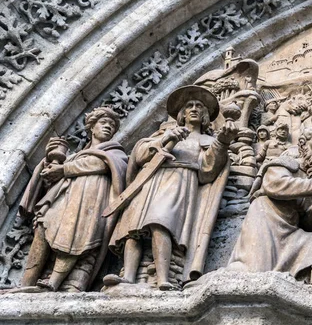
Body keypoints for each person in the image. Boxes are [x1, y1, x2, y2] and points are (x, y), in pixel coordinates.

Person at [105, 85, 237, 290]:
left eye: (199, 107)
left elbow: (207, 170)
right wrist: (167, 138)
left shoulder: (207, 141)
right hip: (150, 180)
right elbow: (139, 155)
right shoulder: (163, 134)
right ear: (181, 114)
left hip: (179, 181)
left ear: (204, 116)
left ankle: (163, 278)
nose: (194, 109)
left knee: (160, 223)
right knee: (132, 229)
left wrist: (222, 142)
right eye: (189, 106)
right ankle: (129, 277)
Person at [19, 107, 128, 292]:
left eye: (112, 125)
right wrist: (49, 164)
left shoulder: (115, 152)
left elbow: (103, 164)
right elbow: (51, 181)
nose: (108, 127)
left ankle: (58, 283)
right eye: (103, 123)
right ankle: (27, 284)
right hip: (65, 198)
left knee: (78, 237)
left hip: (92, 199)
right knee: (43, 226)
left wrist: (63, 169)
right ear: (91, 128)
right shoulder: (75, 157)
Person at [227, 126, 312, 277]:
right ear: (302, 143)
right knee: (255, 270)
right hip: (267, 220)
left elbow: (308, 224)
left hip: (291, 230)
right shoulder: (288, 163)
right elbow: (273, 184)